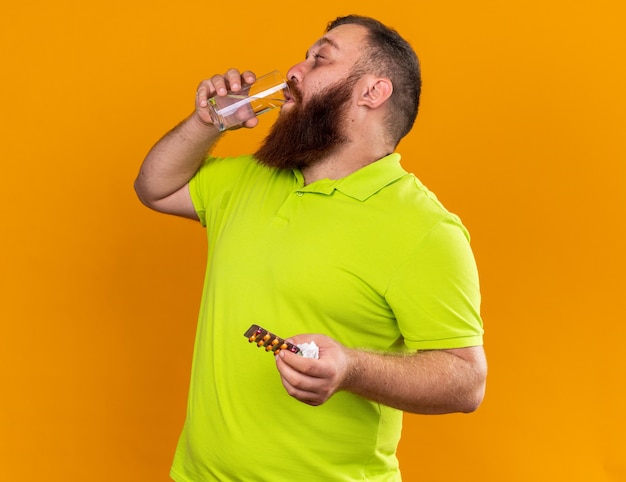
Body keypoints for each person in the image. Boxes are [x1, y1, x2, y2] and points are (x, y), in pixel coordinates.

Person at [135, 14, 487, 482]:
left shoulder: (424, 229)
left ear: (372, 92)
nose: (293, 72)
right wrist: (208, 122)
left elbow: (466, 382)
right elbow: (154, 188)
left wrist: (351, 367)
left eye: (319, 58)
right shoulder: (250, 177)